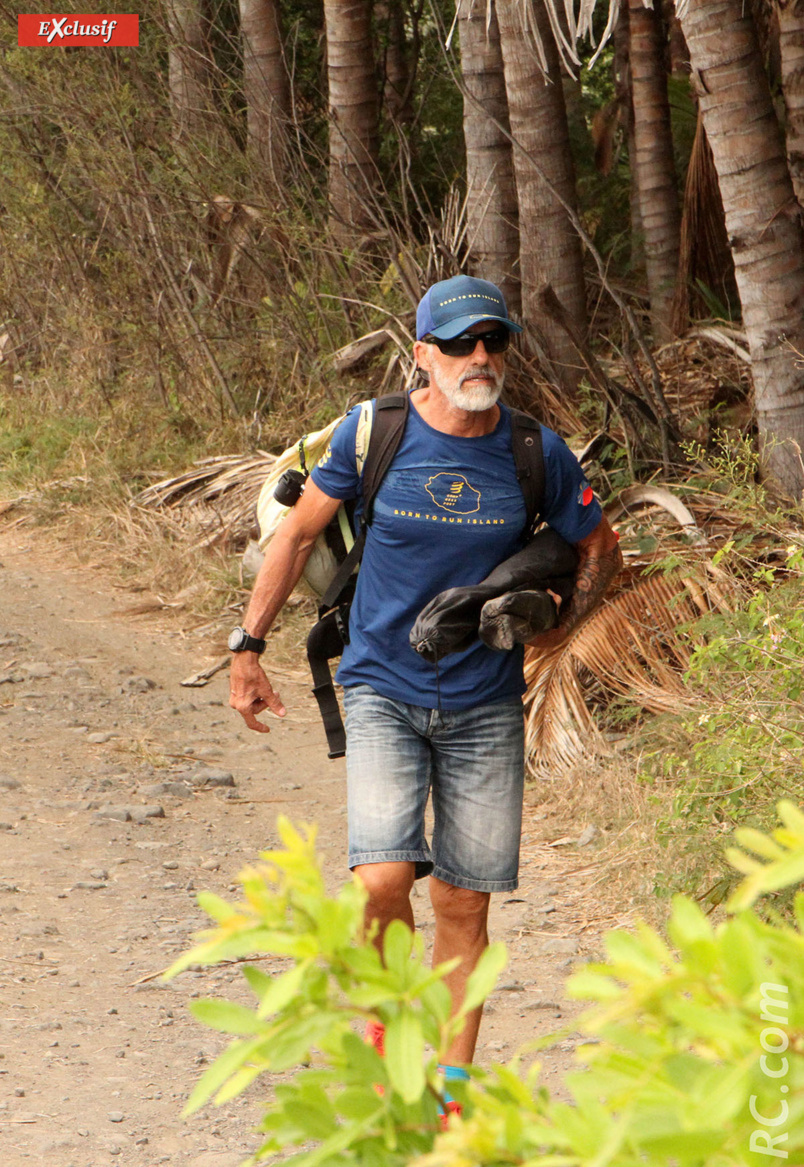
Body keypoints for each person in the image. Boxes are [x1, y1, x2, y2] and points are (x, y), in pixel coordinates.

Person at [229, 274, 622, 1113]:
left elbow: (601, 544)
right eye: (458, 344)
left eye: (493, 342)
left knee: (461, 903)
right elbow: (298, 534)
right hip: (380, 683)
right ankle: (387, 1023)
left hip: (485, 698)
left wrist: (561, 628)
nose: (479, 358)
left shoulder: (535, 451)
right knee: (380, 881)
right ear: (423, 355)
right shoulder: (375, 432)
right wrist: (248, 645)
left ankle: (447, 1092)